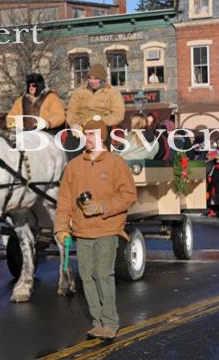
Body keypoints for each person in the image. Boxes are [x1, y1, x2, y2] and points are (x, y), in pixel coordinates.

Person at [54, 119, 137, 340]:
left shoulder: (116, 163)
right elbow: (63, 201)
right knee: (87, 276)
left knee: (103, 274)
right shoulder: (73, 166)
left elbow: (129, 195)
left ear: (102, 136)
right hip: (82, 231)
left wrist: (102, 207)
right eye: (86, 134)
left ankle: (110, 322)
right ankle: (97, 321)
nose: (87, 138)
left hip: (108, 228)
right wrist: (61, 228)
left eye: (92, 134)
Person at [65, 64, 125, 157]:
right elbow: (71, 112)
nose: (92, 81)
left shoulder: (112, 92)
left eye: (96, 78)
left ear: (102, 80)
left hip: (101, 126)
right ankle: (72, 166)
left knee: (99, 148)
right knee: (71, 147)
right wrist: (74, 125)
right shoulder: (80, 92)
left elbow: (118, 115)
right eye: (90, 78)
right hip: (81, 126)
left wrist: (101, 120)